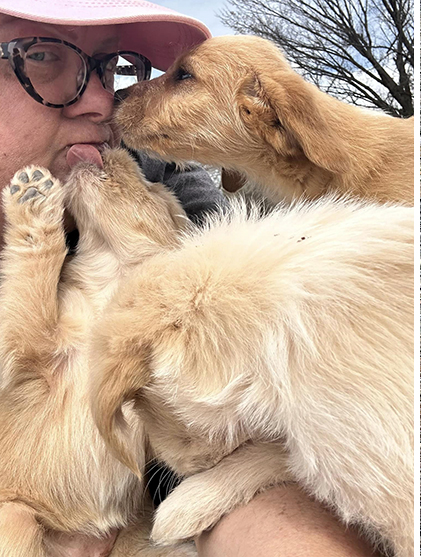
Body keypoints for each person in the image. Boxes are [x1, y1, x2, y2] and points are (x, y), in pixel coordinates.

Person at [0, 1, 382, 555]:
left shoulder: (156, 175)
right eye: (42, 57)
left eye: (112, 66)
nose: (104, 100)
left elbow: (226, 415)